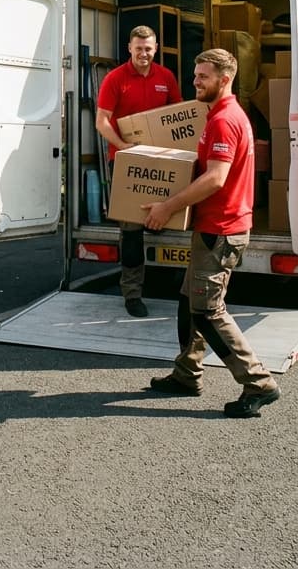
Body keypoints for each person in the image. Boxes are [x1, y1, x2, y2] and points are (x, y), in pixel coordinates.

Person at [141, 47, 281, 419]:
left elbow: (216, 178)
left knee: (207, 310)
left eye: (203, 75)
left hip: (220, 230)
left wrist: (167, 207)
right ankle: (187, 374)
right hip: (214, 227)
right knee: (190, 302)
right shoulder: (221, 114)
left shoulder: (224, 120)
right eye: (195, 73)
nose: (195, 81)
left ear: (225, 79)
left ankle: (258, 382)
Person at [96, 24, 182, 318]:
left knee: (172, 216)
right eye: (138, 48)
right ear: (129, 49)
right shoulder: (115, 79)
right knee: (131, 231)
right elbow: (102, 122)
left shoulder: (166, 77)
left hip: (161, 161)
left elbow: (176, 117)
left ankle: (184, 285)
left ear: (155, 49)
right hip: (125, 162)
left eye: (148, 48)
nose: (143, 53)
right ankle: (132, 294)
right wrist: (123, 147)